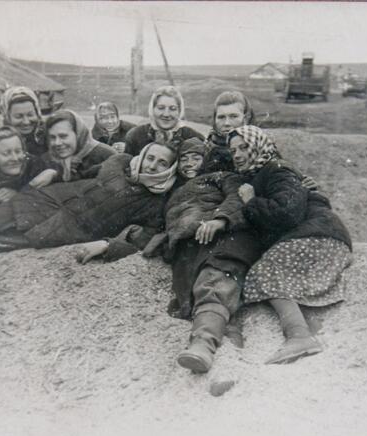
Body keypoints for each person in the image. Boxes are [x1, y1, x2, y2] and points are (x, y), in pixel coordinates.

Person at [79, 138, 263, 373]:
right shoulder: (171, 195)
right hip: (188, 246)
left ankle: (203, 346)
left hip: (225, 235)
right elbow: (150, 234)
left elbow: (237, 197)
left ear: (206, 159)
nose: (189, 162)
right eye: (184, 158)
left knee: (214, 279)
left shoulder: (222, 176)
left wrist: (220, 220)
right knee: (191, 293)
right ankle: (227, 338)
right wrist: (109, 245)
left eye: (196, 157)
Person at [0, 143, 179, 258]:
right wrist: (55, 171)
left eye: (161, 163)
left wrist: (107, 246)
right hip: (50, 200)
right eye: (151, 157)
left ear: (169, 169)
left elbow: (142, 238)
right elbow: (83, 171)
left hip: (71, 229)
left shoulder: (155, 203)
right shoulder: (118, 163)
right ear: (142, 156)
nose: (153, 165)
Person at [229, 125, 353, 365]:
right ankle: (307, 327)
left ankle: (299, 336)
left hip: (320, 235)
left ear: (259, 147)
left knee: (263, 272)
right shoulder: (263, 173)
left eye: (244, 147)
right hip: (320, 235)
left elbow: (287, 213)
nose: (237, 155)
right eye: (233, 151)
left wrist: (252, 201)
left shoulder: (277, 170)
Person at [124, 86, 204, 156]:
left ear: (179, 111)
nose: (166, 114)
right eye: (161, 108)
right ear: (153, 109)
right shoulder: (136, 135)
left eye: (172, 109)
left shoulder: (193, 137)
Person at [43, 109, 117, 182]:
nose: (57, 143)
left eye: (63, 136)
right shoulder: (49, 159)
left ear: (78, 134)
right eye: (52, 137)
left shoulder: (107, 156)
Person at [204, 90, 255, 172]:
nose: (226, 123)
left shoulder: (260, 149)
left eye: (234, 116)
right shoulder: (204, 150)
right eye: (221, 117)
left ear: (245, 118)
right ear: (214, 119)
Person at [0, 86, 48, 157]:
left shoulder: (49, 138)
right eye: (19, 116)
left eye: (30, 115)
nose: (26, 122)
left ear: (38, 113)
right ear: (7, 117)